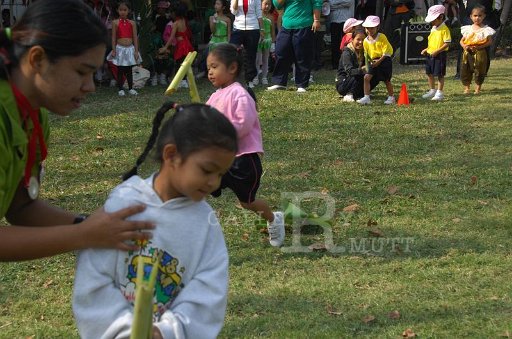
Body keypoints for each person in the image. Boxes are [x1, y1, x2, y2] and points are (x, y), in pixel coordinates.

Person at [0, 0, 153, 262]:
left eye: (94, 74)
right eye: (82, 72)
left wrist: (91, 225)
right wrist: (83, 234)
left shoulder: (32, 113)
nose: (90, 87)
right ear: (37, 59)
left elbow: (20, 206)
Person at [73, 102, 237, 339]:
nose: (214, 183)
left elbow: (209, 289)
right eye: (207, 170)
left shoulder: (206, 223)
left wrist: (165, 332)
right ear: (171, 155)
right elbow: (94, 277)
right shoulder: (124, 204)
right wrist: (125, 331)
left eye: (221, 174)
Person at [206, 43, 286, 247]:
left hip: (243, 160)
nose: (210, 72)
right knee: (199, 185)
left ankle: (273, 219)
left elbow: (243, 123)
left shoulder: (240, 94)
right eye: (208, 68)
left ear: (232, 68)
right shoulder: (215, 96)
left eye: (214, 67)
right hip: (221, 159)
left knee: (247, 201)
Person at [267, 0, 322, 93]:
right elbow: (277, 5)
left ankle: (301, 84)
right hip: (286, 25)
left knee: (302, 55)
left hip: (304, 24)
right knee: (281, 52)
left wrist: (316, 20)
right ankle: (279, 82)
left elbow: (317, 2)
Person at [357, 15, 395, 105]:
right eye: (367, 28)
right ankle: (366, 97)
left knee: (387, 80)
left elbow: (385, 52)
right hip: (373, 61)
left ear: (377, 27)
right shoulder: (365, 41)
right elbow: (367, 54)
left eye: (372, 28)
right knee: (366, 78)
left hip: (384, 59)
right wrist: (368, 63)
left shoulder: (382, 37)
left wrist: (379, 61)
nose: (370, 30)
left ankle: (391, 97)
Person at [107, 1, 141, 97]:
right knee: (120, 69)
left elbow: (135, 37)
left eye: (125, 10)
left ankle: (131, 88)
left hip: (130, 49)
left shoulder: (132, 23)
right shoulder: (115, 22)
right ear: (117, 10)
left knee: (129, 69)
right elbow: (113, 37)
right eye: (121, 10)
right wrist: (114, 50)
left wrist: (136, 50)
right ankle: (120, 89)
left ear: (129, 11)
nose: (123, 12)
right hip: (120, 49)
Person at [459, 4, 495, 94]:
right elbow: (461, 41)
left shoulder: (486, 29)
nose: (477, 18)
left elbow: (489, 41)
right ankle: (467, 88)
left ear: (484, 16)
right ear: (471, 16)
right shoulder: (468, 29)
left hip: (480, 52)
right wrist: (464, 46)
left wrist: (479, 47)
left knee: (479, 69)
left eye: (480, 16)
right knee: (465, 69)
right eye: (475, 16)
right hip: (467, 52)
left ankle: (478, 87)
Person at [336, 29, 378, 102]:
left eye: (363, 40)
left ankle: (363, 93)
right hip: (344, 83)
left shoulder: (365, 51)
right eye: (358, 39)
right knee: (359, 74)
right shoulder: (347, 52)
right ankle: (349, 94)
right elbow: (350, 71)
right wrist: (363, 69)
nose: (361, 42)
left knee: (376, 74)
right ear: (352, 39)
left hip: (357, 79)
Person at [420, 5, 451, 101]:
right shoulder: (433, 28)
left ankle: (439, 92)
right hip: (430, 54)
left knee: (440, 74)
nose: (432, 22)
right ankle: (432, 90)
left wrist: (437, 51)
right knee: (429, 73)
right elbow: (433, 41)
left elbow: (447, 43)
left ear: (441, 17)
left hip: (439, 55)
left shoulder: (444, 29)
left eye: (434, 19)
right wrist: (427, 49)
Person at [230, 0, 264, 88]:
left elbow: (259, 13)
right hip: (238, 27)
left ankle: (249, 80)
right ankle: (232, 78)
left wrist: (262, 29)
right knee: (232, 52)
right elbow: (234, 12)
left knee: (251, 55)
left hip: (253, 28)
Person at [160, 3, 194, 89]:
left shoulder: (175, 23)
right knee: (185, 63)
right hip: (186, 43)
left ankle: (181, 81)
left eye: (172, 12)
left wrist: (165, 47)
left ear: (175, 13)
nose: (171, 14)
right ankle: (184, 80)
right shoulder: (184, 21)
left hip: (181, 45)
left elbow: (171, 37)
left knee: (179, 63)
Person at [253, 0, 276, 85]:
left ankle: (264, 77)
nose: (267, 6)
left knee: (265, 59)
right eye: (265, 4)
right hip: (259, 40)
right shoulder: (258, 16)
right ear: (261, 4)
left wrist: (273, 43)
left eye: (269, 4)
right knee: (258, 59)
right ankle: (255, 77)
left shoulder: (271, 17)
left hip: (267, 40)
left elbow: (273, 31)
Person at [328, 0, 355, 69]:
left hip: (346, 21)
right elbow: (330, 5)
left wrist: (336, 5)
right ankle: (335, 64)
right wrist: (342, 4)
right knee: (335, 43)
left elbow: (349, 2)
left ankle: (348, 62)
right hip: (334, 20)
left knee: (348, 43)